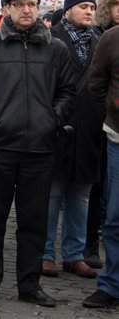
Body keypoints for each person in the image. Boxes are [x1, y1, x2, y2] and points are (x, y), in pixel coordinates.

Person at [0, 0, 76, 307]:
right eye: (20, 4)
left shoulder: (55, 49)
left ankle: (30, 285)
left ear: (39, 8)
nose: (27, 10)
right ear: (7, 8)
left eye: (32, 4)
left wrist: (52, 120)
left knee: (34, 222)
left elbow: (68, 91)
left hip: (40, 149)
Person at [41, 0, 104, 279]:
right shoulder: (50, 39)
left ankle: (74, 255)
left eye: (92, 6)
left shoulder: (100, 40)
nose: (89, 11)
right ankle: (44, 253)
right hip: (58, 126)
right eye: (82, 6)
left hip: (90, 128)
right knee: (52, 194)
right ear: (67, 10)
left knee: (81, 195)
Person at [84, 16, 119, 308]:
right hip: (118, 139)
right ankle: (111, 285)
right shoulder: (112, 38)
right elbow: (96, 85)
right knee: (115, 218)